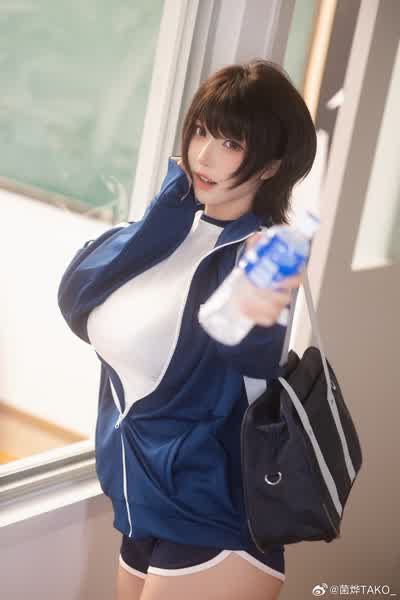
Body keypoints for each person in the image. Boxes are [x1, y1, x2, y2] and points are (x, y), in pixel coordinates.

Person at [57, 58, 316, 600]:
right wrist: (166, 212)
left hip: (212, 520)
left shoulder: (268, 253)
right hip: (139, 505)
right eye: (201, 131)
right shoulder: (168, 228)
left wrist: (263, 273)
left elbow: (247, 355)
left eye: (231, 144)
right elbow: (77, 298)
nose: (203, 156)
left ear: (270, 166)